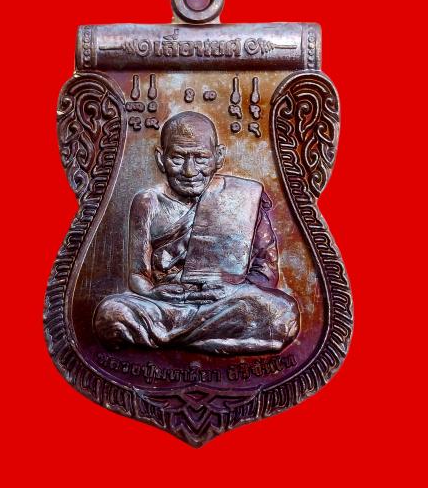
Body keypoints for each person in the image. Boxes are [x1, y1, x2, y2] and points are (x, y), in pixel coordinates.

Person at [93, 111, 299, 355]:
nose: (189, 171)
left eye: (200, 158)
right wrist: (151, 292)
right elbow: (138, 274)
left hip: (225, 301)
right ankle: (211, 341)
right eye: (177, 158)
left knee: (283, 313)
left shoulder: (244, 197)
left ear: (218, 157)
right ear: (161, 158)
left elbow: (266, 270)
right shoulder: (148, 202)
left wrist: (233, 290)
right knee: (111, 313)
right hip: (169, 304)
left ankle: (171, 338)